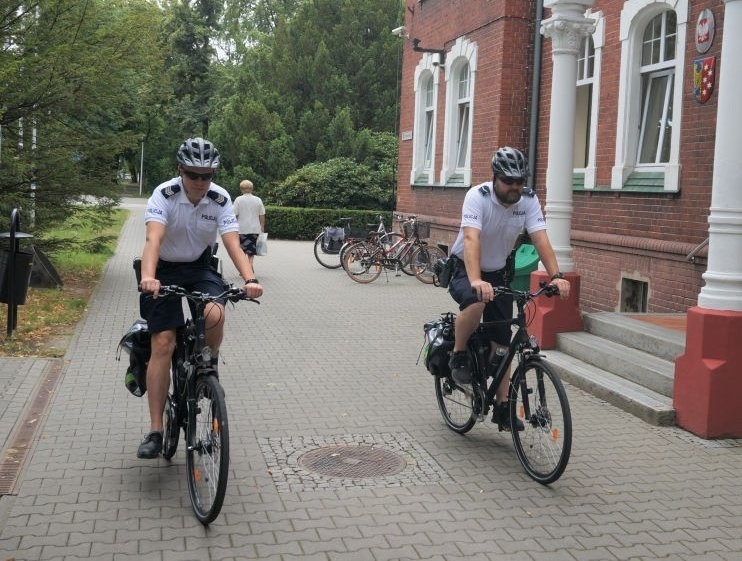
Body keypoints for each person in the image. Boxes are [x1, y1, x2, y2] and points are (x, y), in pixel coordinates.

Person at [136, 137, 263, 459]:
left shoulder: (219, 199)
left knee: (215, 313)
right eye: (194, 175)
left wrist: (250, 278)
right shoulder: (164, 194)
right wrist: (149, 277)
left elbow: (233, 242)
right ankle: (155, 430)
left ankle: (208, 362)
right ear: (181, 170)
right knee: (163, 342)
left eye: (207, 176)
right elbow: (153, 237)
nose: (200, 182)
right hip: (162, 270)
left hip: (198, 267)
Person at [446, 146, 570, 431]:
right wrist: (476, 280)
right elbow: (471, 239)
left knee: (503, 343)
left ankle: (503, 407)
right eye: (508, 181)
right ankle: (459, 352)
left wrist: (556, 276)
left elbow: (541, 238)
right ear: (495, 177)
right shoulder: (478, 197)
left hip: (500, 271)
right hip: (466, 266)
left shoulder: (527, 200)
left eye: (519, 181)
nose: (515, 187)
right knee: (476, 303)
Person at [233, 179, 266, 268]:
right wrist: (262, 227)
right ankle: (250, 264)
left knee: (242, 250)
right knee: (251, 249)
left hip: (241, 229)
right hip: (255, 228)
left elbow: (234, 214)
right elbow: (262, 215)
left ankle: (245, 267)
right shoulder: (258, 200)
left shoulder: (238, 200)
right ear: (251, 188)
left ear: (241, 189)